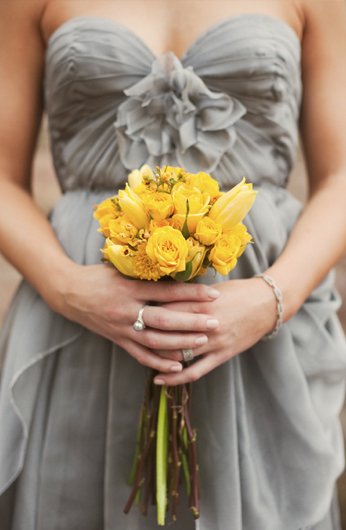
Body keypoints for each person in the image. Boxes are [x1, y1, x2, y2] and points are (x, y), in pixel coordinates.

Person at [0, 0, 346, 528]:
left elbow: (341, 177)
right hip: (81, 326)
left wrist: (271, 297)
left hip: (264, 334)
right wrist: (68, 288)